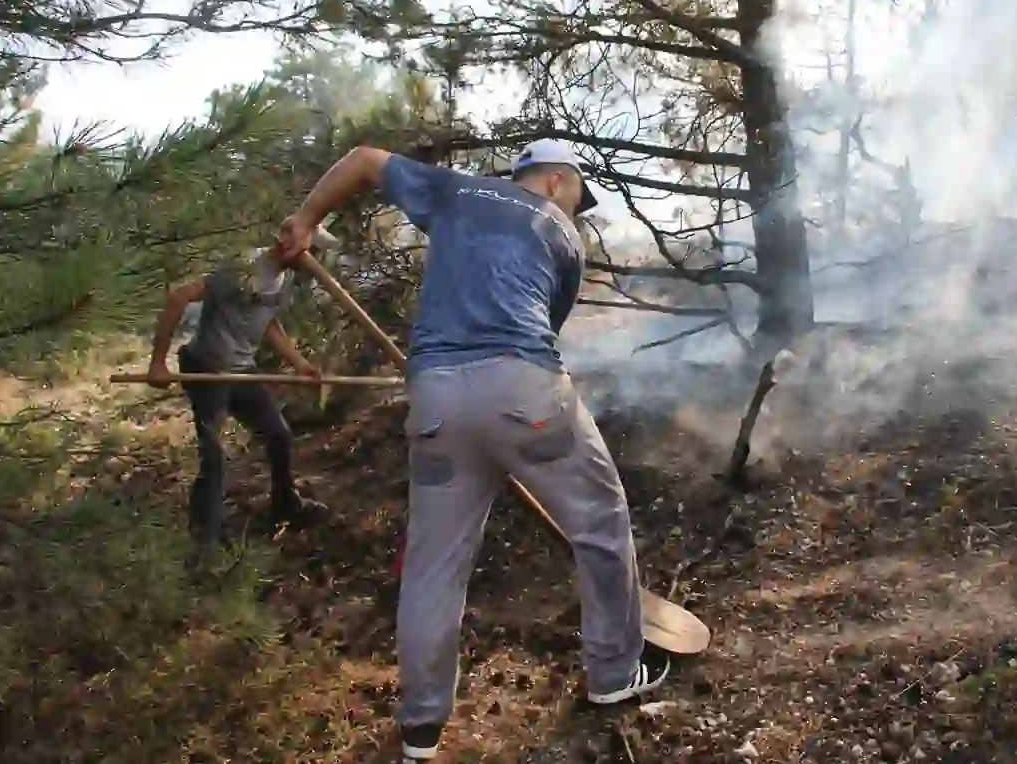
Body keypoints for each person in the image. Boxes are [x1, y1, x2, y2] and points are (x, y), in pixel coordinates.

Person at [273, 139, 668, 764]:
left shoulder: (455, 191)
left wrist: (305, 222)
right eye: (576, 195)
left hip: (434, 399)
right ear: (557, 181)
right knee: (600, 522)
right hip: (524, 391)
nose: (575, 207)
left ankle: (421, 731)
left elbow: (364, 159)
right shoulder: (566, 238)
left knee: (436, 565)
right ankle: (614, 672)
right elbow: (542, 330)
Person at [146, 230, 338, 545]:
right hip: (206, 368)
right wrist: (157, 363)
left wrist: (300, 363)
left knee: (278, 434)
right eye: (313, 250)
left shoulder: (286, 279)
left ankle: (285, 505)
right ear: (288, 244)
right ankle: (205, 540)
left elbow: (268, 322)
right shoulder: (244, 267)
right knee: (215, 454)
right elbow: (179, 296)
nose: (316, 259)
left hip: (242, 371)